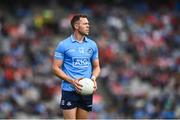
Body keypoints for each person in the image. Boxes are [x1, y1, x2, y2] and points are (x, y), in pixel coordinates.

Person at [52, 14, 101, 119]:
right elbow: (55, 68)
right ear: (76, 26)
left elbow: (97, 67)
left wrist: (93, 79)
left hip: (86, 89)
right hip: (69, 90)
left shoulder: (92, 45)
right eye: (85, 24)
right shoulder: (63, 45)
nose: (88, 26)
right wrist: (72, 81)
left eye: (88, 24)